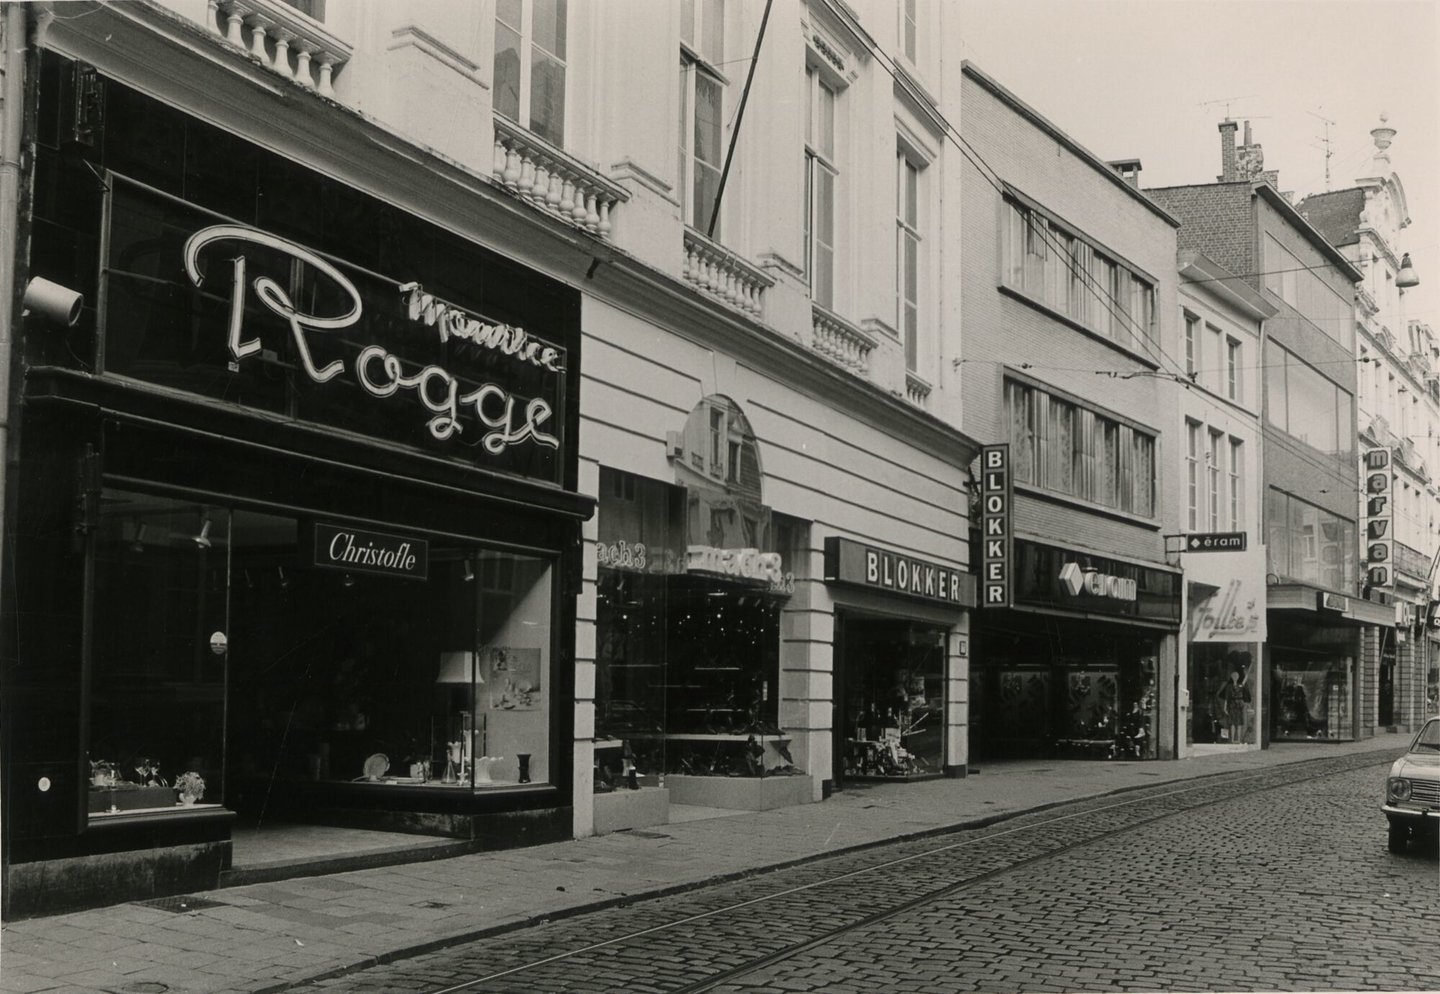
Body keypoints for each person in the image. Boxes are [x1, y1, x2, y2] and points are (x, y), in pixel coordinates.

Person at [1216, 668, 1249, 744]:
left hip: (1238, 706)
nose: (1235, 677)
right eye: (1233, 676)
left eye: (1236, 676)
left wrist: (1247, 674)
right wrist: (1225, 707)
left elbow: (1244, 682)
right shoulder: (1229, 687)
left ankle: (1239, 739)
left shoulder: (1240, 685)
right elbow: (1227, 697)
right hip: (1232, 705)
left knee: (1239, 722)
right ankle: (1233, 739)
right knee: (1233, 723)